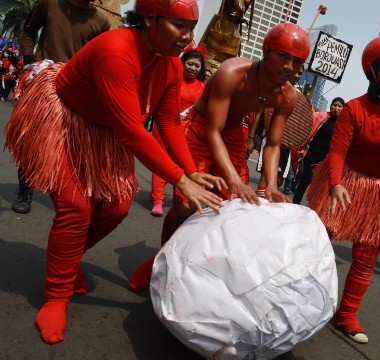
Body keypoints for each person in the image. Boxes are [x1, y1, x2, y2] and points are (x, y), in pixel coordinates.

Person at [3, 0, 226, 345]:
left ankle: (68, 258)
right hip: (65, 120)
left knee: (119, 206)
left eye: (191, 28)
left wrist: (190, 172)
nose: (187, 36)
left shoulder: (169, 66)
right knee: (76, 208)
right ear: (151, 18)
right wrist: (180, 180)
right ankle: (56, 296)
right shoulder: (116, 49)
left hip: (106, 132)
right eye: (179, 25)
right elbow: (132, 132)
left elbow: (166, 122)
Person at [128, 22, 310, 291]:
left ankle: (194, 271)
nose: (290, 68)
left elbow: (272, 145)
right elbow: (213, 131)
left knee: (229, 211)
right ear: (266, 51)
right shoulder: (233, 72)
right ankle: (160, 260)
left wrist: (270, 184)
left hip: (234, 136)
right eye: (283, 57)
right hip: (202, 130)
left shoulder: (287, 96)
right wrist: (235, 179)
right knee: (189, 207)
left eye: (297, 62)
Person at [305, 36, 380, 344]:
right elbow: (338, 150)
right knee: (318, 243)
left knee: (367, 254)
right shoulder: (354, 109)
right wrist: (336, 184)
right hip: (344, 181)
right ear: (373, 71)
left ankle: (347, 314)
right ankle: (301, 300)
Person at [10, 0, 111, 214]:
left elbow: (97, 58)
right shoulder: (50, 3)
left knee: (68, 143)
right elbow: (28, 31)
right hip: (41, 80)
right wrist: (29, 61)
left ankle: (64, 195)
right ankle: (24, 191)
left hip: (75, 88)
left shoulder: (101, 22)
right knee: (31, 138)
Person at [149, 44, 208, 216]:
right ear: (182, 63)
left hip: (187, 131)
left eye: (197, 66)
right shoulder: (172, 78)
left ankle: (178, 197)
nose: (193, 68)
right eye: (190, 64)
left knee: (180, 164)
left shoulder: (202, 87)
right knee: (162, 161)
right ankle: (158, 200)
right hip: (164, 126)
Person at [292, 97, 345, 204]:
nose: (337, 108)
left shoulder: (344, 125)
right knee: (303, 184)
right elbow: (308, 133)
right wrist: (303, 148)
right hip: (311, 157)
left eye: (340, 106)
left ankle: (313, 211)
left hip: (326, 163)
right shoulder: (320, 117)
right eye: (335, 105)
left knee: (319, 189)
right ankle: (295, 205)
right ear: (330, 106)